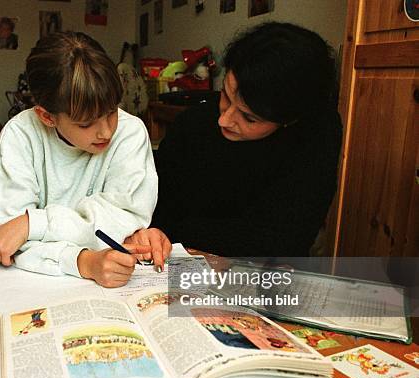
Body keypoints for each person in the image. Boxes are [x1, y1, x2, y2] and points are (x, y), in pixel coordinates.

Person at [128, 22, 342, 262]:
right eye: (225, 96)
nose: (225, 120)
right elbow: (156, 214)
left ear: (289, 120)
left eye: (249, 117)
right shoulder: (193, 126)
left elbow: (284, 239)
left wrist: (189, 233)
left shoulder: (317, 132)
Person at [0, 31, 157, 288]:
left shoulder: (131, 132)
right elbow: (8, 241)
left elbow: (123, 219)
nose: (106, 131)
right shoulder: (19, 136)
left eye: (111, 112)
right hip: (32, 284)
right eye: (86, 123)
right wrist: (82, 261)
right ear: (47, 117)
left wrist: (32, 223)